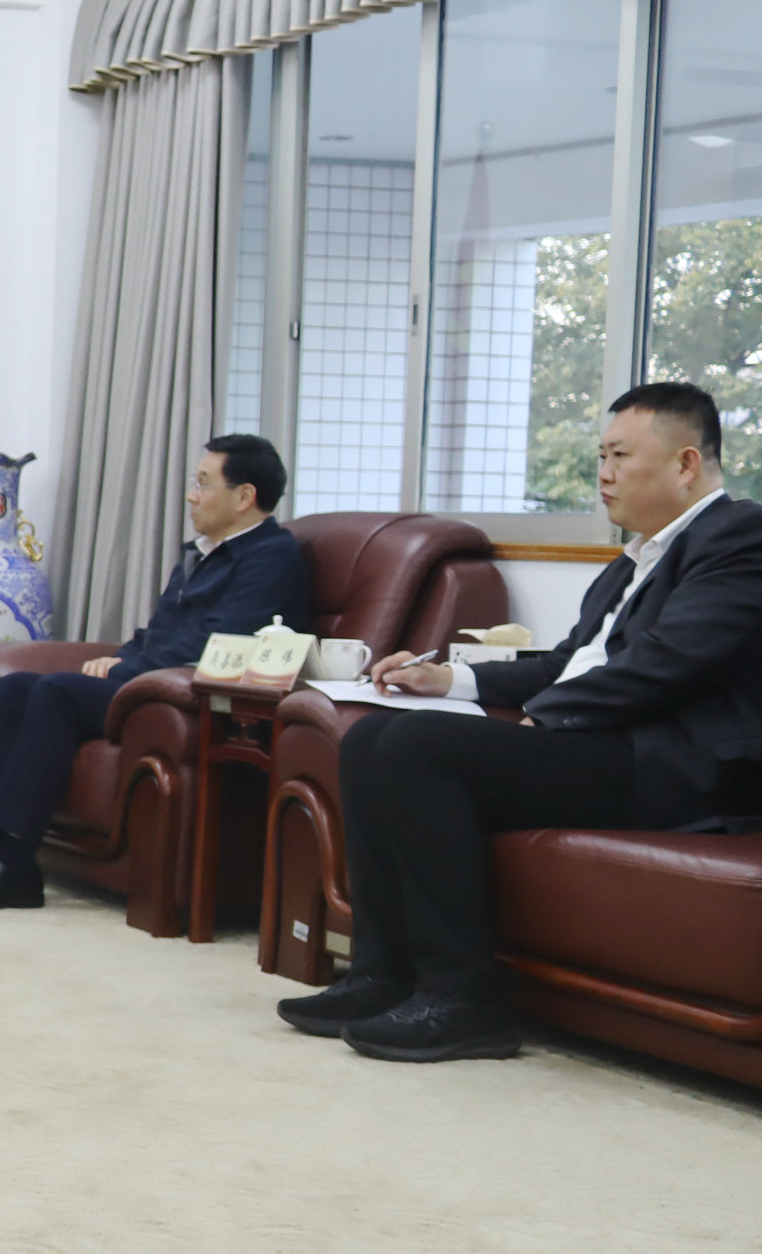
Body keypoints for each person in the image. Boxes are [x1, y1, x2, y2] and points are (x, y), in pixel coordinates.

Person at [277, 382, 762, 1062]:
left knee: (418, 746)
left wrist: (549, 714)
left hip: (671, 767)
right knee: (370, 737)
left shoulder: (740, 536)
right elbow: (567, 663)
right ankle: (382, 973)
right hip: (602, 746)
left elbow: (669, 661)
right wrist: (449, 678)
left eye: (620, 455)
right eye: (600, 456)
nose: (603, 473)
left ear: (686, 463)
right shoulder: (634, 561)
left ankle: (464, 999)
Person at [0, 434, 313, 910]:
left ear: (244, 496)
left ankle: (12, 864)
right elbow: (158, 632)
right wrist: (124, 656)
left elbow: (220, 643)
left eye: (204, 483)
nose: (191, 495)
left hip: (187, 698)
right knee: (13, 688)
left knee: (57, 692)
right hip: (144, 681)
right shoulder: (202, 553)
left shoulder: (271, 556)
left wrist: (130, 666)